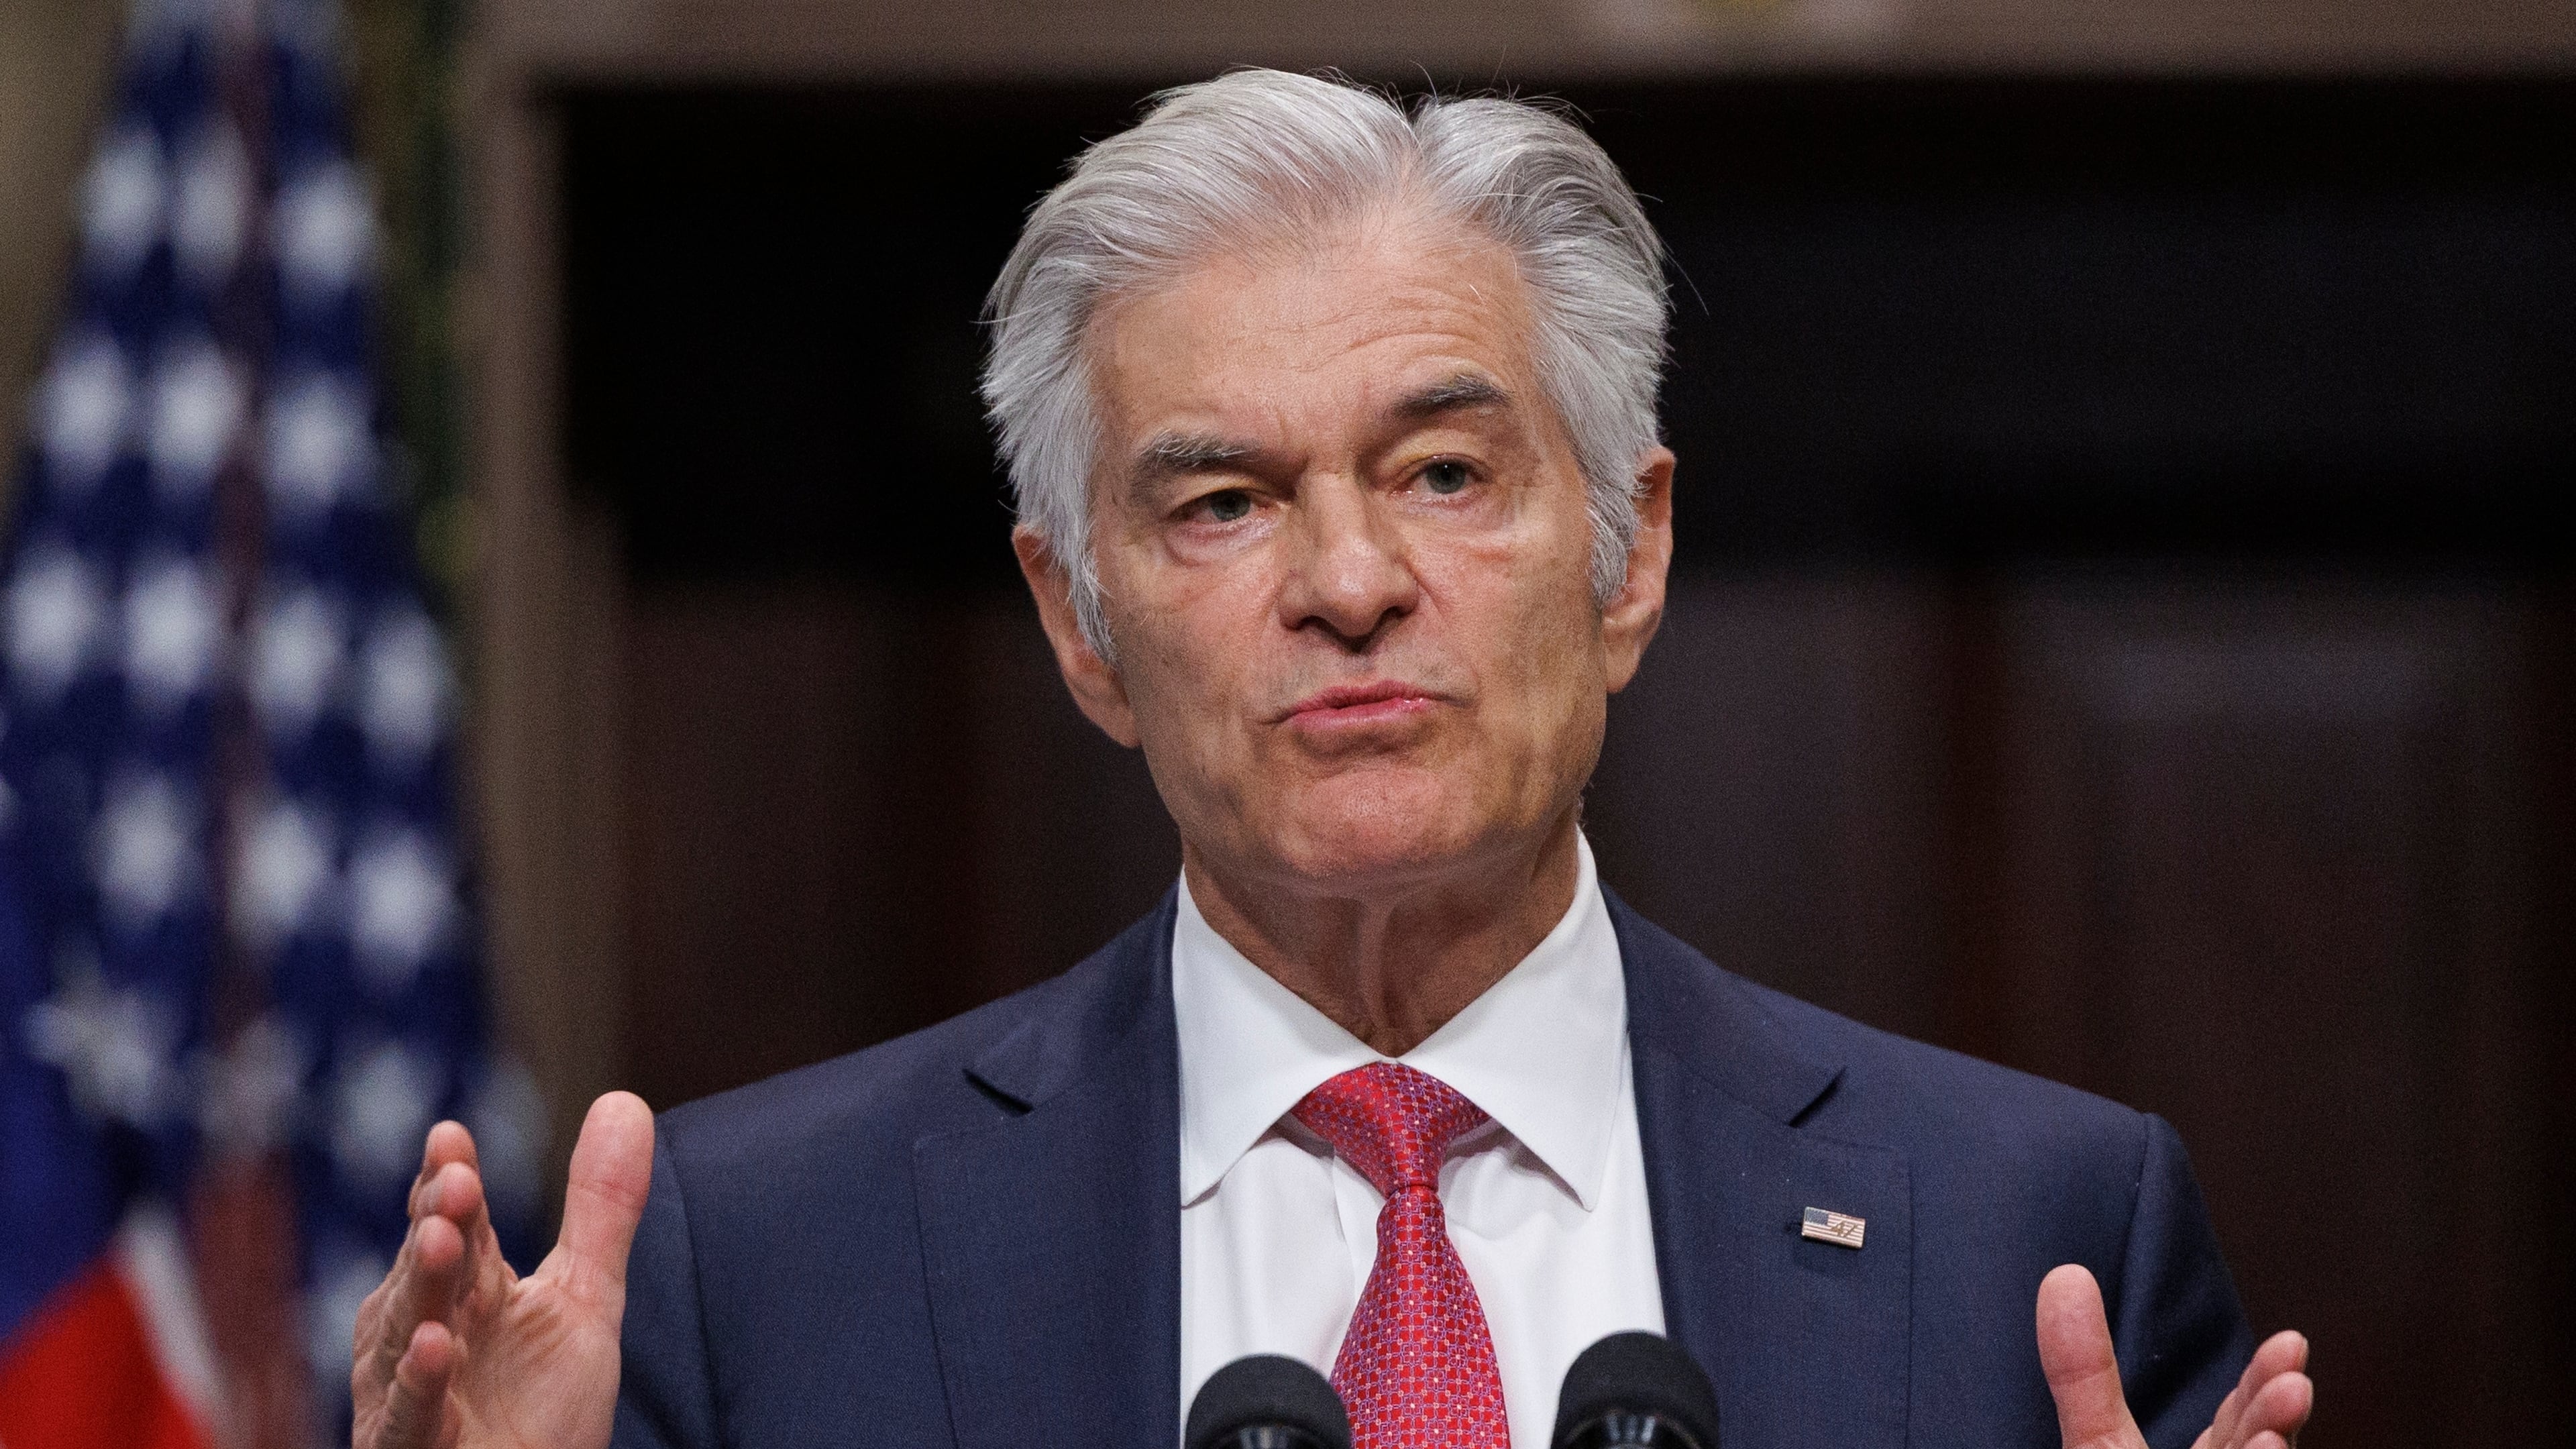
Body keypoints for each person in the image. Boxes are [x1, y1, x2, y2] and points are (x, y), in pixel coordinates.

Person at [350, 70, 2315, 1449]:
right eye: (1220, 502)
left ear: (1629, 560)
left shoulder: (2030, 1236)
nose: (1352, 582)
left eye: (1446, 473)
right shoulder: (769, 1262)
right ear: (1077, 623)